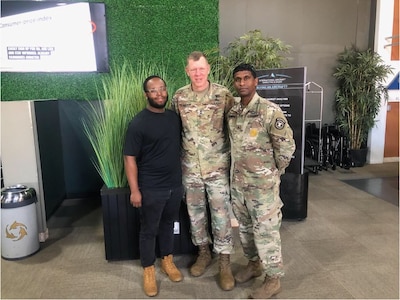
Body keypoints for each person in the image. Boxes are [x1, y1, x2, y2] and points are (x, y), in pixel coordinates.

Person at [227, 63, 296, 299]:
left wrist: (273, 174)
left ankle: (273, 278)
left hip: (263, 187)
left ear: (256, 82)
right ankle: (253, 264)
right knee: (245, 229)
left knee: (266, 232)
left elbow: (286, 147)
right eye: (238, 79)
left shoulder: (269, 111)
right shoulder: (233, 111)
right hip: (238, 185)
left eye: (247, 78)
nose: (242, 83)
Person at [171, 51, 235, 291]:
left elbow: (235, 127)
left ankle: (225, 262)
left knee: (220, 215)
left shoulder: (223, 95)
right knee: (195, 213)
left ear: (208, 69)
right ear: (187, 71)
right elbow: (174, 131)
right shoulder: (179, 97)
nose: (198, 73)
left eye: (201, 69)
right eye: (193, 69)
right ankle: (204, 253)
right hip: (190, 169)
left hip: (217, 167)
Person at [123, 75, 184, 297]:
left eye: (162, 89)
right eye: (153, 90)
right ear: (146, 94)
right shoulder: (138, 122)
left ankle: (167, 260)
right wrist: (135, 190)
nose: (159, 94)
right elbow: (129, 158)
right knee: (148, 231)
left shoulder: (174, 118)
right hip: (151, 188)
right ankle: (148, 269)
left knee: (168, 224)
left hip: (175, 185)